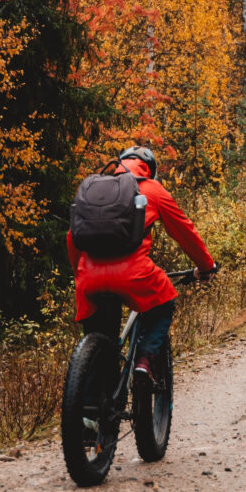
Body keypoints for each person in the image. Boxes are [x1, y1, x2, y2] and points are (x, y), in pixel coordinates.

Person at [66, 146, 218, 390]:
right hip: (133, 275)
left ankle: (89, 417)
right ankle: (144, 362)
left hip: (89, 278)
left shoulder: (95, 192)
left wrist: (79, 274)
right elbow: (184, 231)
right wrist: (206, 266)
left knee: (99, 353)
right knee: (164, 301)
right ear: (150, 169)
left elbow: (72, 239)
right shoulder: (152, 190)